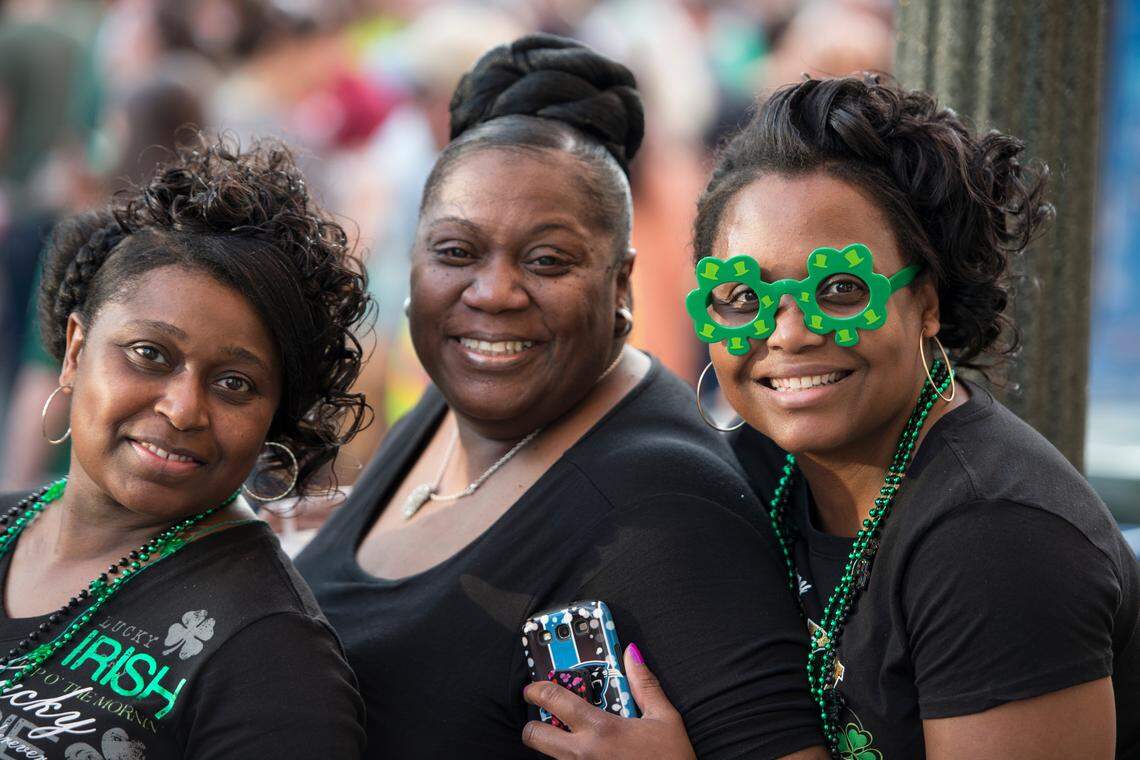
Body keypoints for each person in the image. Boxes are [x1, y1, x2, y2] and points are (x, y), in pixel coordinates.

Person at [525, 75, 1140, 759]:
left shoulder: (995, 539)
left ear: (927, 302)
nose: (787, 334)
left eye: (840, 290)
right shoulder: (764, 466)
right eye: (742, 297)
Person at [295, 34, 827, 760]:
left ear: (621, 285)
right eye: (456, 251)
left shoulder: (666, 505)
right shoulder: (456, 407)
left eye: (547, 260)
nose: (492, 293)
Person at [0, 135, 369, 758]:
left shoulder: (271, 657)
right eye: (150, 354)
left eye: (235, 383)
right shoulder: (7, 519)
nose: (182, 408)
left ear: (273, 415)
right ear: (75, 351)